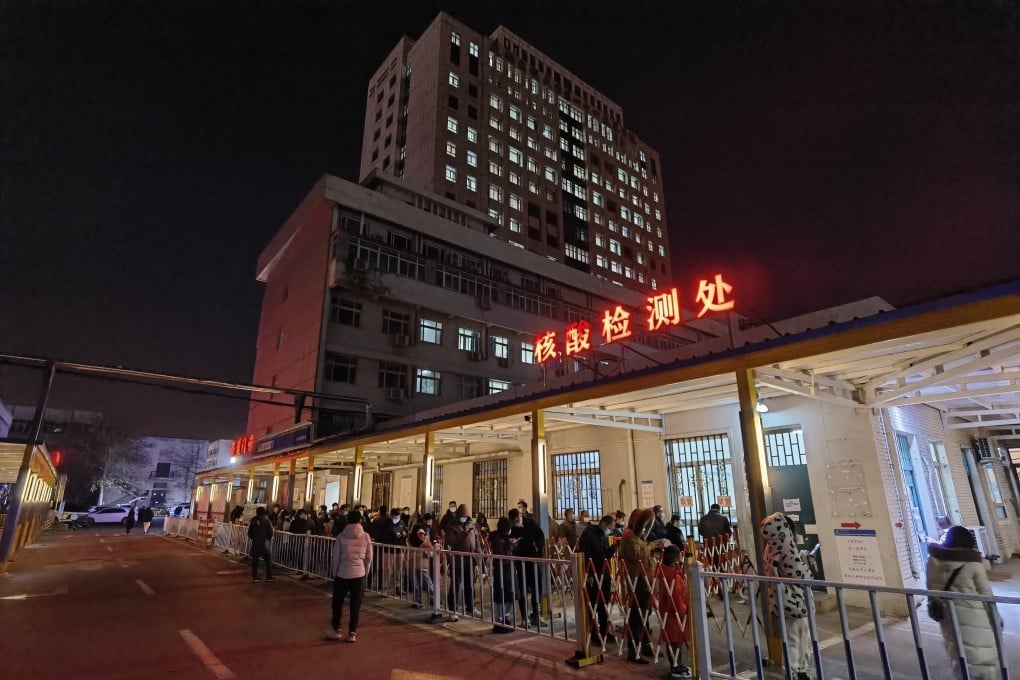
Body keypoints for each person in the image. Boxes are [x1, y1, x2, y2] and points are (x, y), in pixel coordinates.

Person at [926, 525, 1002, 680]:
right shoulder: (973, 563)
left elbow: (931, 588)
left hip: (948, 616)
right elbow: (986, 595)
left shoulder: (934, 561)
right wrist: (996, 618)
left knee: (959, 655)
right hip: (976, 618)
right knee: (982, 659)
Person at [760, 512, 812, 680]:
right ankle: (796, 672)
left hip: (781, 598)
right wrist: (807, 563)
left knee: (793, 636)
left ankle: (796, 671)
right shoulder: (785, 545)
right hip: (796, 599)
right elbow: (801, 574)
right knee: (797, 637)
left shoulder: (770, 546)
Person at [620, 508, 663, 664]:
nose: (645, 529)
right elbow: (637, 556)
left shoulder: (638, 537)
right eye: (644, 525)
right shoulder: (629, 537)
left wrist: (654, 550)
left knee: (645, 615)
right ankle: (634, 651)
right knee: (637, 618)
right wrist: (650, 547)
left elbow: (645, 555)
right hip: (637, 582)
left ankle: (645, 646)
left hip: (646, 581)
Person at [325, 509, 373, 642]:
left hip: (342, 573)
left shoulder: (341, 536)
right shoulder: (366, 536)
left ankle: (336, 629)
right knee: (355, 604)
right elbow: (369, 557)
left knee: (337, 602)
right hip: (359, 574)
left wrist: (335, 572)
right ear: (360, 520)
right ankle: (352, 632)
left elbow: (335, 557)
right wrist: (365, 570)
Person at [578, 514, 619, 645]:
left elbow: (604, 555)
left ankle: (604, 631)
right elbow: (586, 555)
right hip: (593, 573)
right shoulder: (589, 534)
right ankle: (593, 633)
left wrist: (613, 549)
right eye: (610, 527)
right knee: (593, 605)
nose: (610, 531)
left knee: (603, 604)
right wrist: (589, 574)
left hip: (604, 573)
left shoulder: (603, 536)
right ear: (604, 523)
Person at [657, 545, 691, 678]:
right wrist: (684, 612)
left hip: (668, 611)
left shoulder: (665, 571)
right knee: (675, 641)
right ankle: (676, 666)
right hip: (674, 613)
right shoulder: (673, 576)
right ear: (675, 559)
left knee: (674, 641)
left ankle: (677, 664)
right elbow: (676, 597)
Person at [509, 508, 546, 627]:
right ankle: (525, 617)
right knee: (523, 590)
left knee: (537, 589)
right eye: (514, 521)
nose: (517, 522)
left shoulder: (530, 522)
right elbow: (510, 542)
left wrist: (539, 551)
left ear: (521, 515)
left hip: (534, 561)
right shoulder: (512, 528)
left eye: (518, 519)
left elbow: (540, 535)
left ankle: (536, 615)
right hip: (521, 563)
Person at [445, 504, 481, 621]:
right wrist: (462, 535)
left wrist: (479, 554)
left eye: (466, 516)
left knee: (469, 585)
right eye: (462, 516)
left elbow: (476, 540)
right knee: (455, 585)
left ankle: (470, 606)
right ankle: (452, 610)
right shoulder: (453, 526)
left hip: (470, 559)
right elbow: (450, 541)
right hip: (458, 559)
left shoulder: (472, 525)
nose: (464, 518)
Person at [488, 517, 516, 633]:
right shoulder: (496, 538)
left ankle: (506, 618)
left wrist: (512, 544)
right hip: (501, 569)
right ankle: (499, 621)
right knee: (500, 595)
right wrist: (509, 545)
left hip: (509, 569)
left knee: (510, 594)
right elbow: (502, 553)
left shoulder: (506, 538)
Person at [407, 522, 434, 609]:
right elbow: (409, 555)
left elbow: (432, 553)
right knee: (415, 585)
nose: (422, 536)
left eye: (423, 534)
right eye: (419, 534)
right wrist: (419, 551)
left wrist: (425, 551)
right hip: (413, 566)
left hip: (423, 566)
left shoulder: (426, 540)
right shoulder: (411, 542)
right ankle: (417, 601)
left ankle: (434, 599)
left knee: (428, 584)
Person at [248, 506, 275, 582]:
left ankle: (255, 577)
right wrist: (267, 539)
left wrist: (255, 538)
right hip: (265, 544)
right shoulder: (267, 520)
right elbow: (270, 533)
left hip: (256, 544)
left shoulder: (253, 520)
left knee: (255, 561)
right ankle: (269, 577)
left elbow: (249, 533)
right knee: (268, 561)